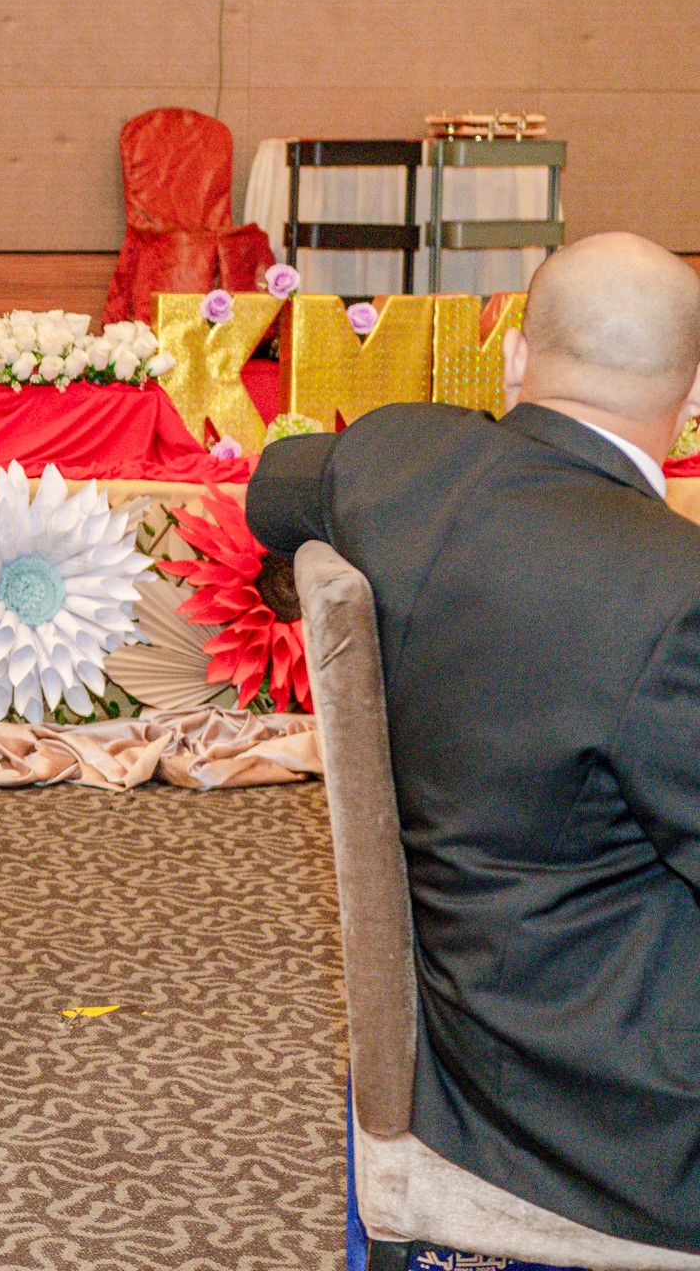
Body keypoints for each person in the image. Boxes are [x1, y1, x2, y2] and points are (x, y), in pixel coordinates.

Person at [250, 232, 700, 1255]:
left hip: (457, 1028)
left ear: (515, 357)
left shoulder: (396, 455)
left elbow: (273, 488)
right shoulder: (675, 593)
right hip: (610, 1105)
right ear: (692, 394)